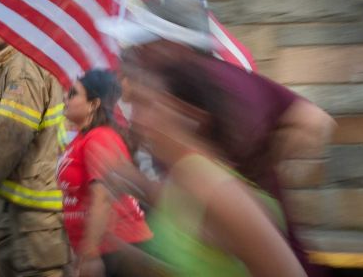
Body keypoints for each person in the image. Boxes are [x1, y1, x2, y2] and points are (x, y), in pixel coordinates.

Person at [103, 0, 335, 276]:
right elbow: (192, 216)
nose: (137, 53)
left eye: (144, 43)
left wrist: (253, 173)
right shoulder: (189, 165)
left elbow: (314, 120)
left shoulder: (226, 91)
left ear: (172, 46)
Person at [105, 51, 307, 277]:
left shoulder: (215, 189)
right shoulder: (181, 177)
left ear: (190, 117)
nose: (136, 120)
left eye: (148, 105)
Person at [0, 32, 71, 276]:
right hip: (12, 198)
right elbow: (6, 119)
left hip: (35, 203)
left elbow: (12, 134)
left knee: (39, 270)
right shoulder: (10, 65)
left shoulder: (24, 66)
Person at [58, 69, 152, 277]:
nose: (65, 97)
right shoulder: (81, 139)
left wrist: (91, 253)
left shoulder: (100, 137)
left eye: (73, 94)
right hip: (101, 249)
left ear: (93, 104)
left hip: (118, 251)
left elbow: (103, 197)